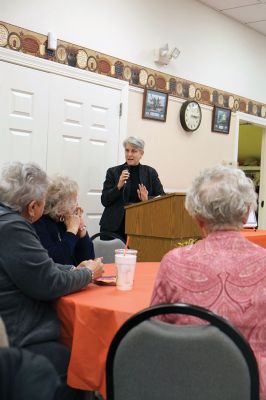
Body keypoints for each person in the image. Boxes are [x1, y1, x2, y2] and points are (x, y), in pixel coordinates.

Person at [150, 165, 266, 399]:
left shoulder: (174, 262)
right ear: (246, 213)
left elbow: (153, 331)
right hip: (253, 387)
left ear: (197, 217)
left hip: (187, 385)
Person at [0, 161, 104, 400]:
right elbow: (48, 283)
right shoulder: (14, 227)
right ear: (34, 206)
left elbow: (42, 265)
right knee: (80, 361)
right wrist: (86, 274)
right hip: (20, 335)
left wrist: (73, 268)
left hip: (11, 325)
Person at [100, 136, 165, 239]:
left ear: (141, 153)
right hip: (113, 227)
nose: (129, 154)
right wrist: (119, 185)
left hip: (139, 227)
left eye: (134, 151)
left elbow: (162, 198)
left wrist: (147, 200)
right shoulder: (113, 172)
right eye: (127, 150)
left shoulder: (150, 172)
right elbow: (104, 200)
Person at [34, 175, 95, 265]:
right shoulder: (40, 223)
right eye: (74, 200)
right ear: (60, 204)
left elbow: (89, 260)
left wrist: (82, 232)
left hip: (76, 276)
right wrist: (71, 231)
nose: (77, 205)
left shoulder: (66, 220)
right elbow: (57, 261)